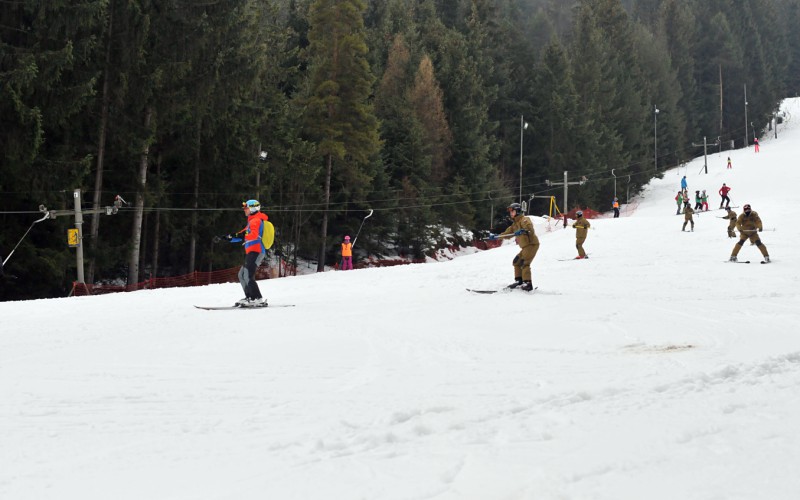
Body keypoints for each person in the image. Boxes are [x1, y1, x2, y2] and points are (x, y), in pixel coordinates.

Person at [226, 199, 269, 307]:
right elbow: (242, 234)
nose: (244, 210)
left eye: (246, 208)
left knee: (248, 275)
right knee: (241, 275)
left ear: (253, 208)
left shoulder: (256, 220)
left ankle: (258, 298)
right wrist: (229, 238)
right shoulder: (251, 221)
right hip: (251, 251)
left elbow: (253, 235)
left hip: (257, 251)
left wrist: (241, 236)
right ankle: (250, 297)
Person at [489, 202, 539, 291]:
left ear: (518, 211)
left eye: (513, 211)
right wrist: (496, 236)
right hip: (525, 247)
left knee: (524, 263)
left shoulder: (524, 219)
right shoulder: (515, 224)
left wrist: (524, 230)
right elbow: (507, 233)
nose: (511, 213)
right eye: (510, 212)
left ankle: (528, 283)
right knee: (516, 262)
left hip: (531, 245)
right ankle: (519, 281)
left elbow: (530, 229)